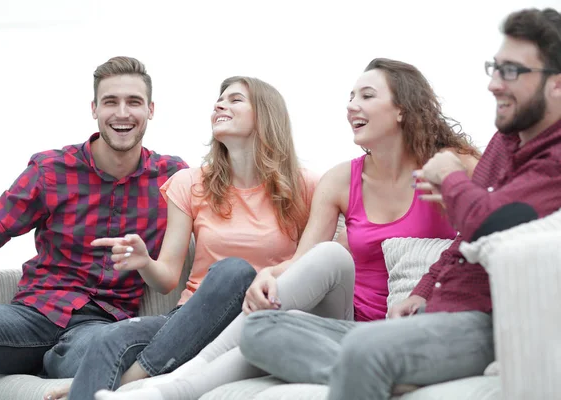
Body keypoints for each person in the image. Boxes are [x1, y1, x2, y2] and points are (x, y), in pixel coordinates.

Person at [95, 58, 481, 400]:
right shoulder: (340, 180)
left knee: (267, 326)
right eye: (350, 96)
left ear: (402, 109)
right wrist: (268, 276)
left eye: (366, 96)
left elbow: (490, 226)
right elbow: (304, 259)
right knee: (295, 290)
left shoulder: (454, 165)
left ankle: (163, 391)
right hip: (346, 322)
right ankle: (169, 388)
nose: (351, 106)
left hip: (413, 326)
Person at [238, 7, 561, 400]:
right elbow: (465, 243)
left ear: (557, 84)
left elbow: (494, 227)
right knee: (259, 330)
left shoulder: (551, 160)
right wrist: (423, 290)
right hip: (429, 315)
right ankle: (379, 372)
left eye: (510, 71)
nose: (493, 84)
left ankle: (371, 366)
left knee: (365, 349)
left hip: (484, 322)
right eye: (493, 68)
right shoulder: (504, 143)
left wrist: (451, 178)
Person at [44, 76, 318, 400]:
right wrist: (145, 262)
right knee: (109, 338)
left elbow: (319, 261)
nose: (220, 105)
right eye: (219, 100)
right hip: (190, 320)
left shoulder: (305, 186)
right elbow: (167, 280)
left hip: (259, 318)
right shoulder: (189, 183)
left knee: (235, 272)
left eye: (234, 100)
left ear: (265, 114)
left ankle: (131, 382)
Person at [0, 56, 188, 400]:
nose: (122, 113)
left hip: (97, 329)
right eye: (111, 101)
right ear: (95, 108)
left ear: (151, 110)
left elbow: (219, 227)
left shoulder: (172, 178)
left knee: (109, 347)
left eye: (134, 102)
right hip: (35, 314)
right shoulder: (51, 169)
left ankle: (55, 365)